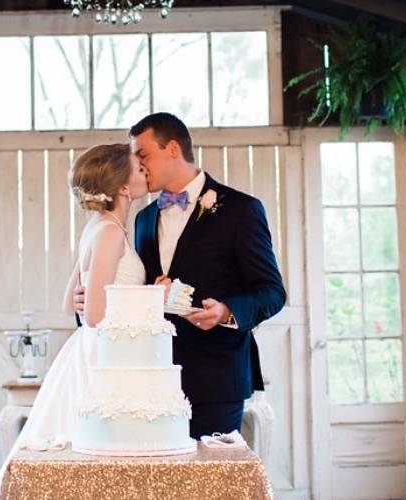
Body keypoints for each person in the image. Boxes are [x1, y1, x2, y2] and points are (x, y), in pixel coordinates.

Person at [75, 112, 286, 439]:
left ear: (173, 148)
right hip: (149, 382)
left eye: (143, 154)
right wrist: (89, 300)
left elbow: (272, 291)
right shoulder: (142, 218)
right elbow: (129, 291)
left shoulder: (240, 210)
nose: (139, 165)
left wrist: (226, 311)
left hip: (215, 378)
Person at [0, 144, 149, 500]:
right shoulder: (108, 232)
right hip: (100, 358)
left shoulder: (101, 226)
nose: (145, 173)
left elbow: (69, 301)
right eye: (138, 168)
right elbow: (93, 315)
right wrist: (152, 297)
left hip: (99, 352)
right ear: (122, 185)